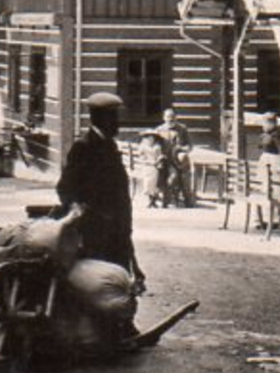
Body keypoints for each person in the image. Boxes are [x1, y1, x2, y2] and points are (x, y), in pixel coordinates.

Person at [56, 91, 144, 286]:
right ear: (99, 118)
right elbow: (65, 187)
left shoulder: (109, 145)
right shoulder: (84, 147)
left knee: (118, 283)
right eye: (113, 117)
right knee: (97, 284)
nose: (117, 123)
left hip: (117, 231)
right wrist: (80, 212)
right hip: (95, 234)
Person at [155, 108, 194, 208]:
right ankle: (166, 201)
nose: (170, 119)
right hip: (165, 161)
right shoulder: (159, 130)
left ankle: (188, 200)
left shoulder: (182, 129)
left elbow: (190, 146)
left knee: (185, 176)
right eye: (168, 117)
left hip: (179, 161)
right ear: (164, 118)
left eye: (172, 117)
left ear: (176, 117)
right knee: (173, 177)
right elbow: (154, 145)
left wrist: (181, 148)